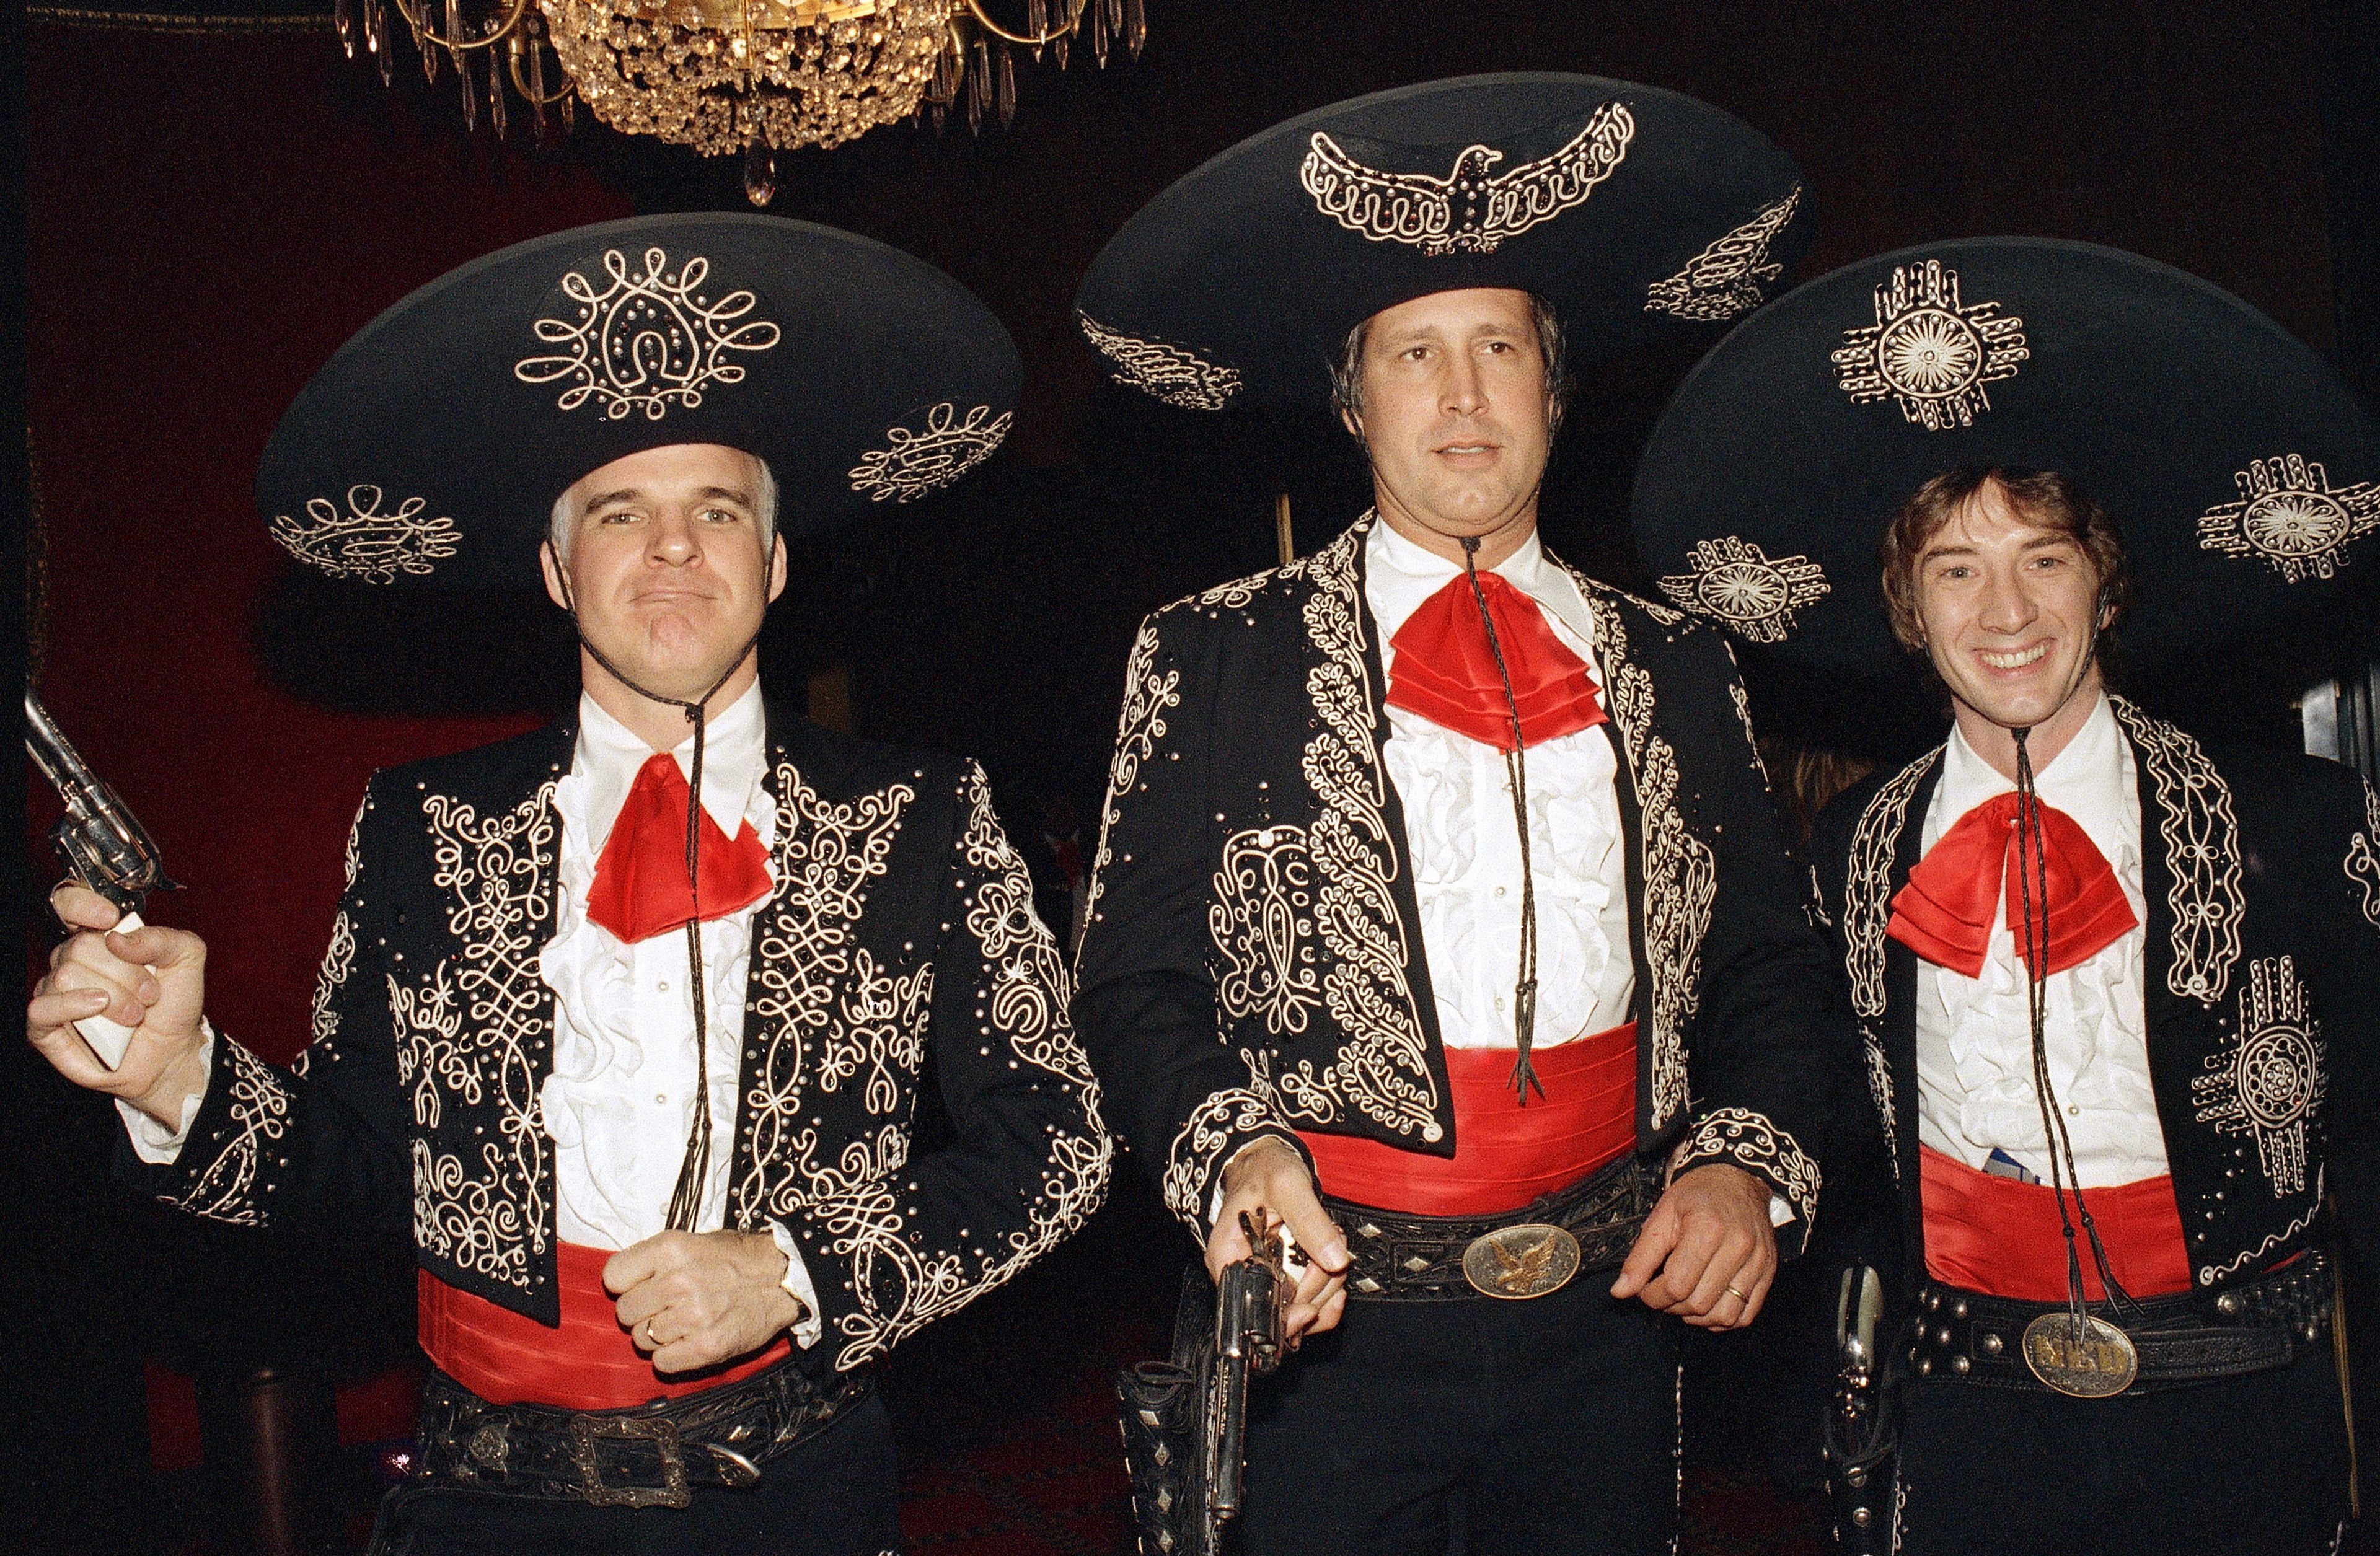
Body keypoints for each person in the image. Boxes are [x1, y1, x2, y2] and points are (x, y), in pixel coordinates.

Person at [26, 213, 1110, 1555]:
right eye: (619, 511)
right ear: (555, 570)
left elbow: (1056, 1138)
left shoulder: (925, 809)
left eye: (716, 510)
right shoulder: (424, 823)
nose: (672, 549)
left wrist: (796, 1269)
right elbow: (366, 1168)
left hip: (794, 1491)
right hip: (489, 1501)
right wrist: (178, 1077)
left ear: (772, 564)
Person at [1071, 75, 1845, 1554]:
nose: (1466, 394)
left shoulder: (1681, 663)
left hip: (1612, 1325)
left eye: (1501, 348)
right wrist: (1238, 1149)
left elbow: (1771, 966)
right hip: (1322, 1333)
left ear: (1558, 389)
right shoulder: (1209, 649)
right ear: (1354, 400)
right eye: (1415, 353)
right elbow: (1129, 982)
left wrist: (1748, 1157)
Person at [1631, 236, 2378, 1554]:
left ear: (2104, 576)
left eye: (2043, 556)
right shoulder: (1853, 841)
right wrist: (1740, 1172)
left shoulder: (2299, 822)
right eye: (1956, 568)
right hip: (1974, 1424)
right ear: (1909, 611)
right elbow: (1807, 1072)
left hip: (2244, 1420)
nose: (2007, 608)